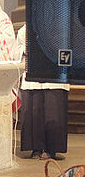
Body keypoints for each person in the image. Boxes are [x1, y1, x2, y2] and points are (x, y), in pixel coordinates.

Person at [16, 25, 68, 160]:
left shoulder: (60, 26)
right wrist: (23, 50)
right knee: (33, 112)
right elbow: (15, 49)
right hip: (33, 75)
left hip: (53, 75)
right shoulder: (24, 30)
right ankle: (36, 148)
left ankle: (51, 149)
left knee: (53, 112)